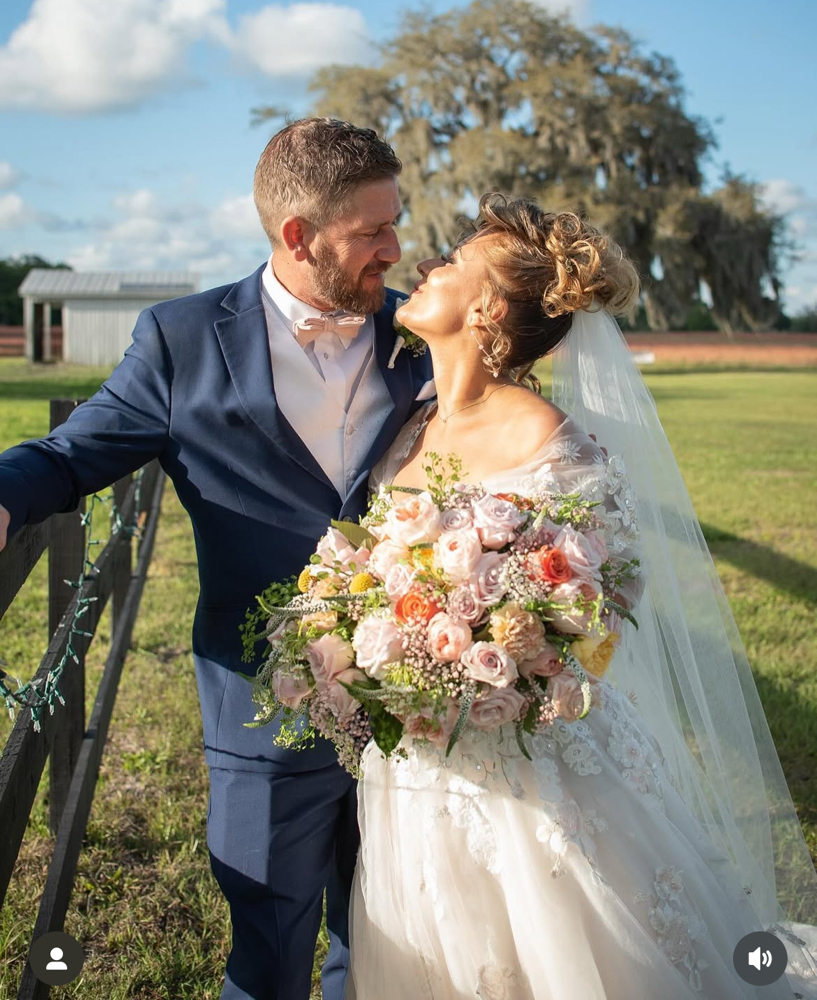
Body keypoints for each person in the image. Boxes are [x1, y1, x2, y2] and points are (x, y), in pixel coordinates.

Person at [0, 118, 431, 1000]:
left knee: (390, 934)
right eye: (372, 233)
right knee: (266, 943)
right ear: (298, 237)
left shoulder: (421, 336)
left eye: (397, 224)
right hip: (258, 697)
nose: (395, 249)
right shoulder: (181, 338)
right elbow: (70, 455)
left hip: (420, 698)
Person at [345, 195, 817, 999]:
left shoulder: (545, 440)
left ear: (489, 308)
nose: (426, 264)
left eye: (453, 261)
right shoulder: (408, 426)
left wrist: (505, 661)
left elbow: (603, 601)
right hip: (416, 760)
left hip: (530, 768)